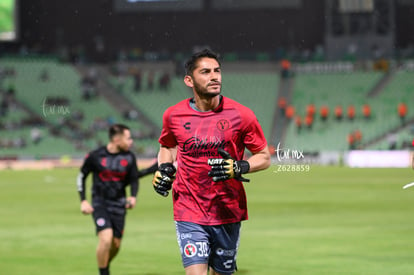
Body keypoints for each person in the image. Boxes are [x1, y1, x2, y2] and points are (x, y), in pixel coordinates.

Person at [152, 49, 271, 275]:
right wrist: (165, 168)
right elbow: (167, 145)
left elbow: (264, 157)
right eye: (205, 72)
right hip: (189, 209)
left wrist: (240, 167)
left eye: (217, 71)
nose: (214, 76)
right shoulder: (173, 115)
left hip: (227, 210)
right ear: (189, 80)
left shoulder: (242, 115)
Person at [77, 124, 156, 275]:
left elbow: (133, 179)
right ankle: (104, 273)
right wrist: (83, 200)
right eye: (128, 138)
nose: (131, 141)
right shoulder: (95, 156)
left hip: (119, 205)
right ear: (117, 139)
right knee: (106, 239)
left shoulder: (129, 157)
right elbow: (82, 176)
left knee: (115, 244)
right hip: (100, 203)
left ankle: (104, 266)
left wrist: (133, 196)